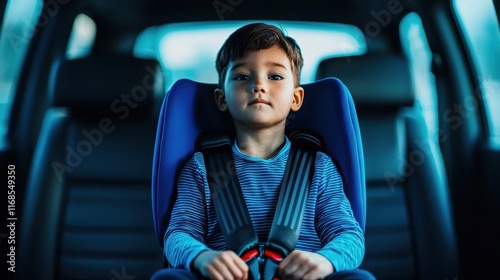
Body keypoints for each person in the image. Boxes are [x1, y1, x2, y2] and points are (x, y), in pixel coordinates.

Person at [152, 23, 375, 280]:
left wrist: (324, 261)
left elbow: (349, 236)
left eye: (275, 76)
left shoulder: (319, 167)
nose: (258, 85)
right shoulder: (201, 167)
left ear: (296, 98)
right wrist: (202, 257)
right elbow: (179, 234)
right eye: (242, 77)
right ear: (221, 98)